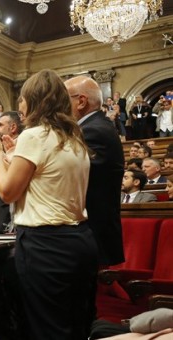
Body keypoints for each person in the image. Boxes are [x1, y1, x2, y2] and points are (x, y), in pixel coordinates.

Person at [0, 69, 97, 339]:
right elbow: (46, 179)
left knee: (46, 329)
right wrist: (12, 156)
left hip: (46, 246)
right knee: (76, 326)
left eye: (21, 99)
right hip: (80, 241)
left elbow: (8, 192)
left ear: (34, 100)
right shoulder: (73, 136)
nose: (19, 106)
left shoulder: (34, 135)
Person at [65, 75, 125, 267]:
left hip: (92, 234)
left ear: (81, 101)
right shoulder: (93, 127)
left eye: (63, 100)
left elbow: (69, 177)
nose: (59, 107)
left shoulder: (93, 131)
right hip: (88, 235)